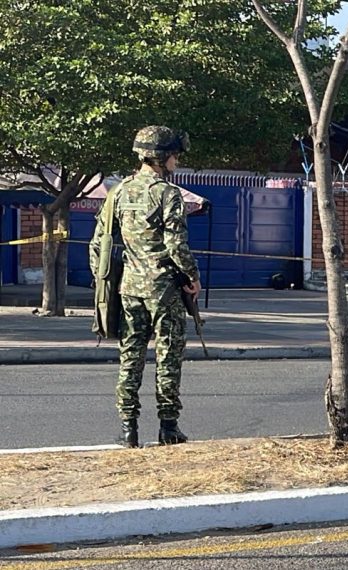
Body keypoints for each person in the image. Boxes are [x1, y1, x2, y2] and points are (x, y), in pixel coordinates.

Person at [90, 125, 200, 448]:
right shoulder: (168, 194)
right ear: (162, 157)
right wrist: (192, 277)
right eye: (175, 155)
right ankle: (168, 428)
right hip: (165, 291)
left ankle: (128, 429)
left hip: (129, 290)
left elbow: (98, 244)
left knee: (130, 358)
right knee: (167, 358)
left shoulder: (119, 193)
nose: (177, 160)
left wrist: (104, 281)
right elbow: (176, 245)